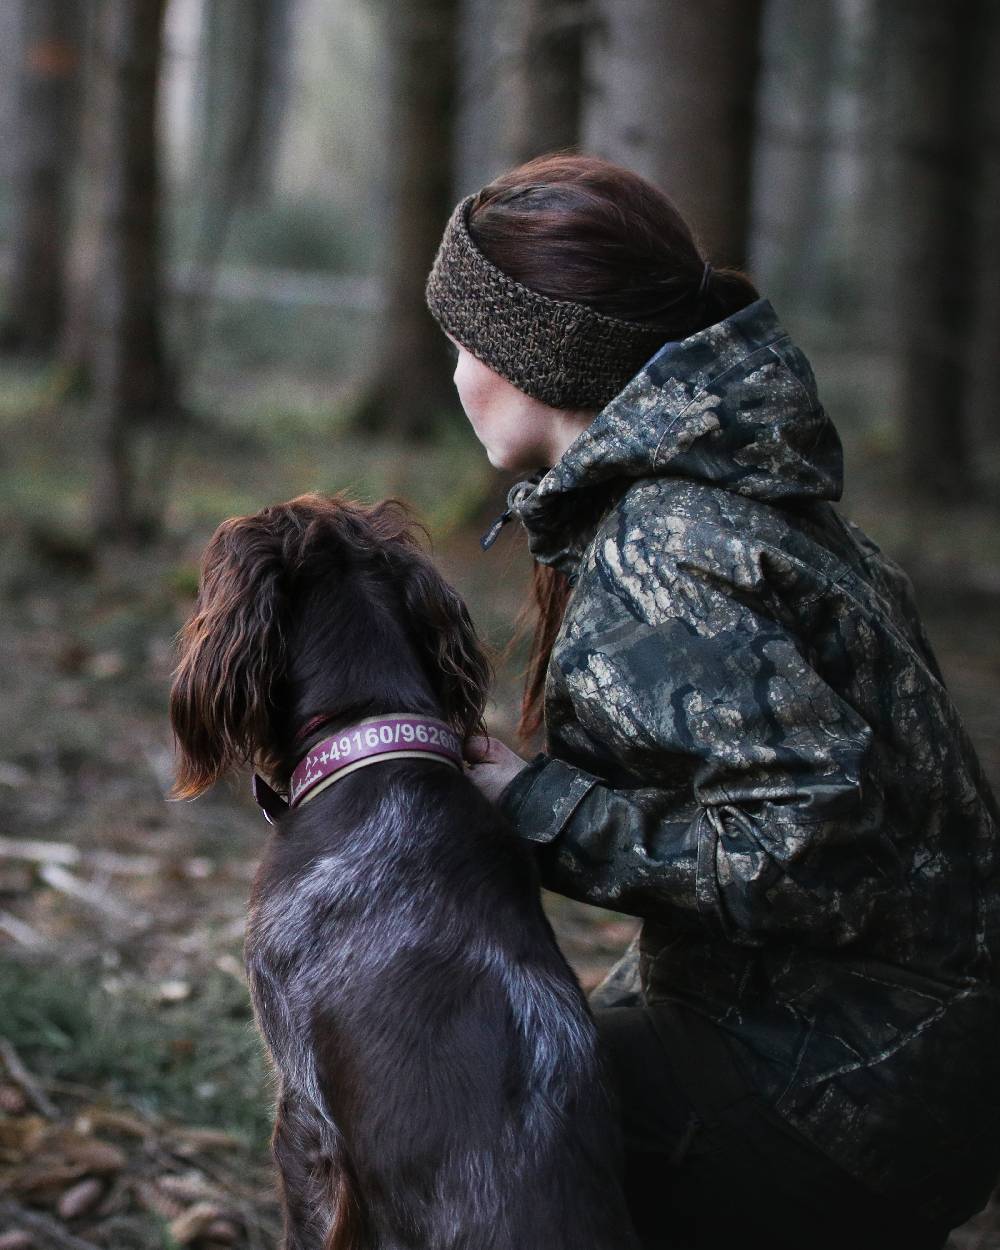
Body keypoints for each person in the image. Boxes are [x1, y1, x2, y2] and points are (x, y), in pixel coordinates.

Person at [424, 154, 1000, 1250]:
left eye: (464, 342)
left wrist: (528, 803)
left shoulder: (675, 540)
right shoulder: (718, 489)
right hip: (899, 1046)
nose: (453, 373)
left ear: (534, 353)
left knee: (462, 1115)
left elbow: (806, 853)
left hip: (850, 1084)